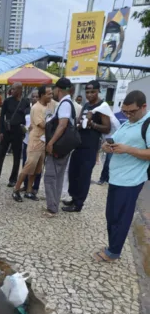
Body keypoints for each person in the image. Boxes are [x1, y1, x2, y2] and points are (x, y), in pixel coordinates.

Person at [95, 90, 150, 262]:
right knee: (111, 215)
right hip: (117, 177)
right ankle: (112, 246)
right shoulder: (128, 123)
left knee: (121, 217)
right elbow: (112, 139)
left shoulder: (147, 124)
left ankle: (113, 252)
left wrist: (128, 149)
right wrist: (106, 146)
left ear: (143, 107)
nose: (128, 115)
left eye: (131, 111)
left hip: (131, 180)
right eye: (125, 111)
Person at [63, 80, 111, 213]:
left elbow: (107, 128)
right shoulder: (86, 105)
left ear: (98, 91)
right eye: (87, 92)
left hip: (90, 146)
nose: (89, 94)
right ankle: (73, 197)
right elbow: (80, 120)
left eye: (92, 92)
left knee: (84, 176)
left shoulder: (102, 107)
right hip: (78, 144)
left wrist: (92, 124)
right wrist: (78, 123)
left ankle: (78, 203)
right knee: (73, 172)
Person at [12, 85, 54, 202]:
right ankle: (16, 190)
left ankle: (29, 191)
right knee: (28, 166)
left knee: (37, 169)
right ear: (42, 95)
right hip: (35, 141)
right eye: (49, 94)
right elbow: (42, 125)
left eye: (51, 93)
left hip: (44, 141)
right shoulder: (36, 108)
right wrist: (55, 125)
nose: (51, 95)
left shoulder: (49, 105)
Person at [43, 77, 76, 218]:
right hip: (64, 147)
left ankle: (52, 208)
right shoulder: (69, 103)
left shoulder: (65, 104)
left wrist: (50, 143)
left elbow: (62, 124)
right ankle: (54, 205)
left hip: (58, 147)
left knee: (50, 176)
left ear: (59, 89)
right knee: (58, 176)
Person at [0, 82, 30, 187]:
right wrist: (1, 131)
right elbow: (1, 117)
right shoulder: (7, 101)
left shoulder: (25, 102)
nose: (12, 91)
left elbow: (27, 117)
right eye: (12, 89)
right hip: (7, 131)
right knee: (0, 155)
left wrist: (23, 130)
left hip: (18, 132)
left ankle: (13, 179)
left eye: (14, 89)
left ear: (20, 90)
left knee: (16, 157)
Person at [61, 84, 83, 200]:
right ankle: (63, 191)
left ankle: (64, 191)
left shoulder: (77, 107)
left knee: (66, 167)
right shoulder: (63, 103)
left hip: (66, 140)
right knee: (64, 167)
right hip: (67, 140)